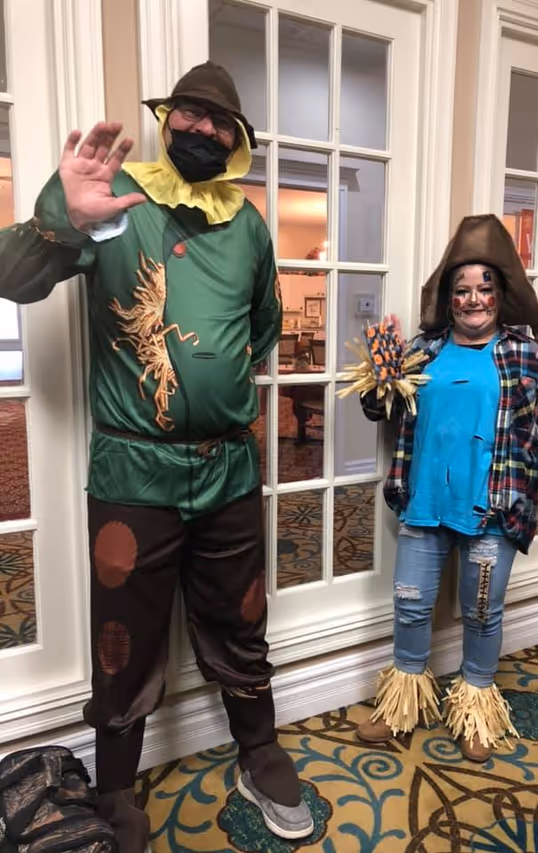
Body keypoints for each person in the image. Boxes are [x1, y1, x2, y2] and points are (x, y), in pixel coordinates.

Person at [0, 61, 313, 850]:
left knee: (243, 617)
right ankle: (114, 787)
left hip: (229, 470)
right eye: (189, 113)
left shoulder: (248, 225)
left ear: (236, 140)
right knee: (124, 636)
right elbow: (12, 277)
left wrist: (215, 380)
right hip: (132, 477)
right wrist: (60, 221)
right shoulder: (113, 201)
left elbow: (264, 326)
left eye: (219, 121)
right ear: (167, 118)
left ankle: (259, 750)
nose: (202, 127)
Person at [354, 215, 538, 762]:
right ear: (448, 299)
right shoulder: (422, 350)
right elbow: (378, 409)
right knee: (410, 607)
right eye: (462, 289)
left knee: (481, 613)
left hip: (493, 512)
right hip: (424, 504)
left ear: (501, 295)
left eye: (484, 288)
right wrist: (382, 371)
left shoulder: (527, 356)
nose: (473, 299)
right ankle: (403, 706)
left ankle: (475, 710)